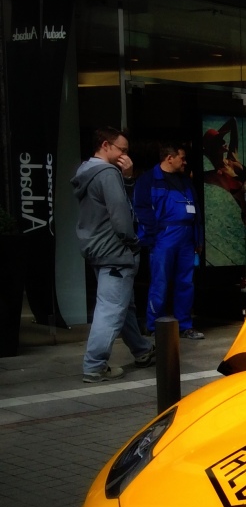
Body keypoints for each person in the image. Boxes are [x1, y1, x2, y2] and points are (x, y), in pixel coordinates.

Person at [75, 128, 155, 382]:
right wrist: (132, 242)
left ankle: (142, 350)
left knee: (123, 306)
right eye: (122, 149)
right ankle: (95, 365)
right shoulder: (107, 173)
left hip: (98, 248)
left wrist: (128, 178)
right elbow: (120, 212)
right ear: (106, 145)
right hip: (115, 251)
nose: (125, 155)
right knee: (111, 308)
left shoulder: (87, 171)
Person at [138, 143, 204, 339]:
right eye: (182, 158)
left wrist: (198, 239)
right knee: (160, 282)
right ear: (169, 158)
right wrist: (152, 235)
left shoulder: (186, 181)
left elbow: (197, 212)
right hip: (163, 237)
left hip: (186, 237)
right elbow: (141, 209)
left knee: (186, 282)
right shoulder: (148, 180)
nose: (185, 162)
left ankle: (184, 326)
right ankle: (153, 325)